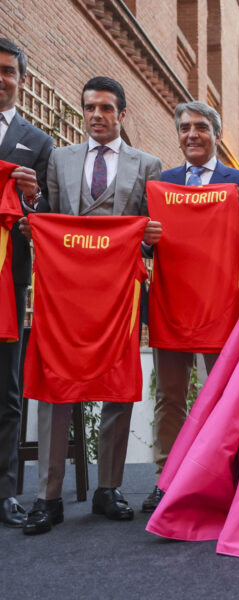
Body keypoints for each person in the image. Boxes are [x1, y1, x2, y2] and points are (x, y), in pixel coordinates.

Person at [22, 76, 162, 535]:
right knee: (55, 384)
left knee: (119, 387)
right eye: (89, 108)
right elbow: (53, 222)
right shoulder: (60, 160)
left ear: (122, 114)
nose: (96, 116)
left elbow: (151, 243)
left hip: (120, 296)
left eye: (105, 108)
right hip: (66, 296)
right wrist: (34, 225)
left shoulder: (148, 165)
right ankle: (48, 496)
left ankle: (108, 488)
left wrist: (149, 241)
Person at [142, 101, 239, 513]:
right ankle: (168, 479)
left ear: (216, 134)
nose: (191, 135)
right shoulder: (161, 183)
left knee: (227, 398)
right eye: (184, 128)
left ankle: (228, 476)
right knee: (170, 397)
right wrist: (145, 238)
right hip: (171, 305)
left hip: (222, 307)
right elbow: (144, 244)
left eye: (201, 127)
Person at [0, 38, 53, 528]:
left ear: (21, 79)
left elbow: (46, 218)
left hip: (6, 281)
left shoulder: (36, 142)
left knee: (7, 389)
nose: (1, 77)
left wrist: (32, 203)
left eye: (8, 71)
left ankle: (5, 492)